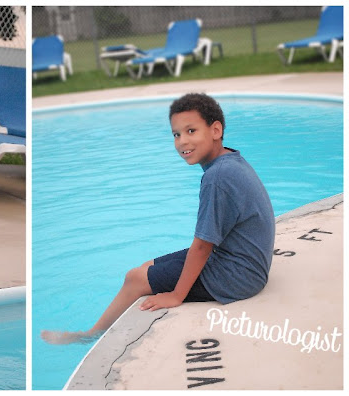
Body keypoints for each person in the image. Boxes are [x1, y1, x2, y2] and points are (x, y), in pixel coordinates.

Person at [42, 93, 275, 345]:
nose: (182, 141)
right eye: (176, 134)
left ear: (215, 129)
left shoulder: (217, 177)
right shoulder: (229, 162)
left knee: (136, 279)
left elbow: (202, 245)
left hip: (237, 276)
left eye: (191, 130)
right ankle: (95, 332)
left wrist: (176, 295)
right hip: (239, 260)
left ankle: (90, 337)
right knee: (145, 268)